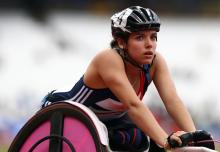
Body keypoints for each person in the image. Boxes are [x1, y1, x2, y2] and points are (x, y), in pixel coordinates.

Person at [41, 6, 197, 151]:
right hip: (64, 113)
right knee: (154, 141)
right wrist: (165, 140)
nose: (150, 45)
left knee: (141, 141)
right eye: (140, 37)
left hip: (105, 123)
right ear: (121, 42)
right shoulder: (108, 59)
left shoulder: (156, 62)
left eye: (153, 37)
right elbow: (134, 105)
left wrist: (196, 136)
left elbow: (172, 101)